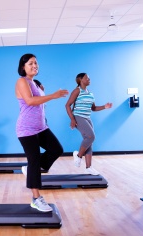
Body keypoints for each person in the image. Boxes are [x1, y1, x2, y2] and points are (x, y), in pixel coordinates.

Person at [15, 53, 68, 212]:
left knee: (57, 149)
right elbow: (30, 101)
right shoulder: (21, 81)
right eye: (30, 63)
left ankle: (31, 169)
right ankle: (36, 199)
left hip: (41, 127)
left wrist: (44, 118)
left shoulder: (36, 84)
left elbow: (40, 106)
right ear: (23, 67)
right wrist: (53, 95)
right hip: (26, 129)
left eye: (36, 63)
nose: (34, 66)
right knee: (34, 159)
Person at [65, 73, 112, 175]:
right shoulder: (77, 91)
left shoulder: (90, 93)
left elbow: (93, 108)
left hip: (87, 118)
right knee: (91, 137)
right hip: (78, 117)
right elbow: (67, 105)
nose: (89, 79)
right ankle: (78, 156)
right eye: (87, 78)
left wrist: (105, 106)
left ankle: (88, 167)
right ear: (81, 79)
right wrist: (72, 119)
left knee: (89, 141)